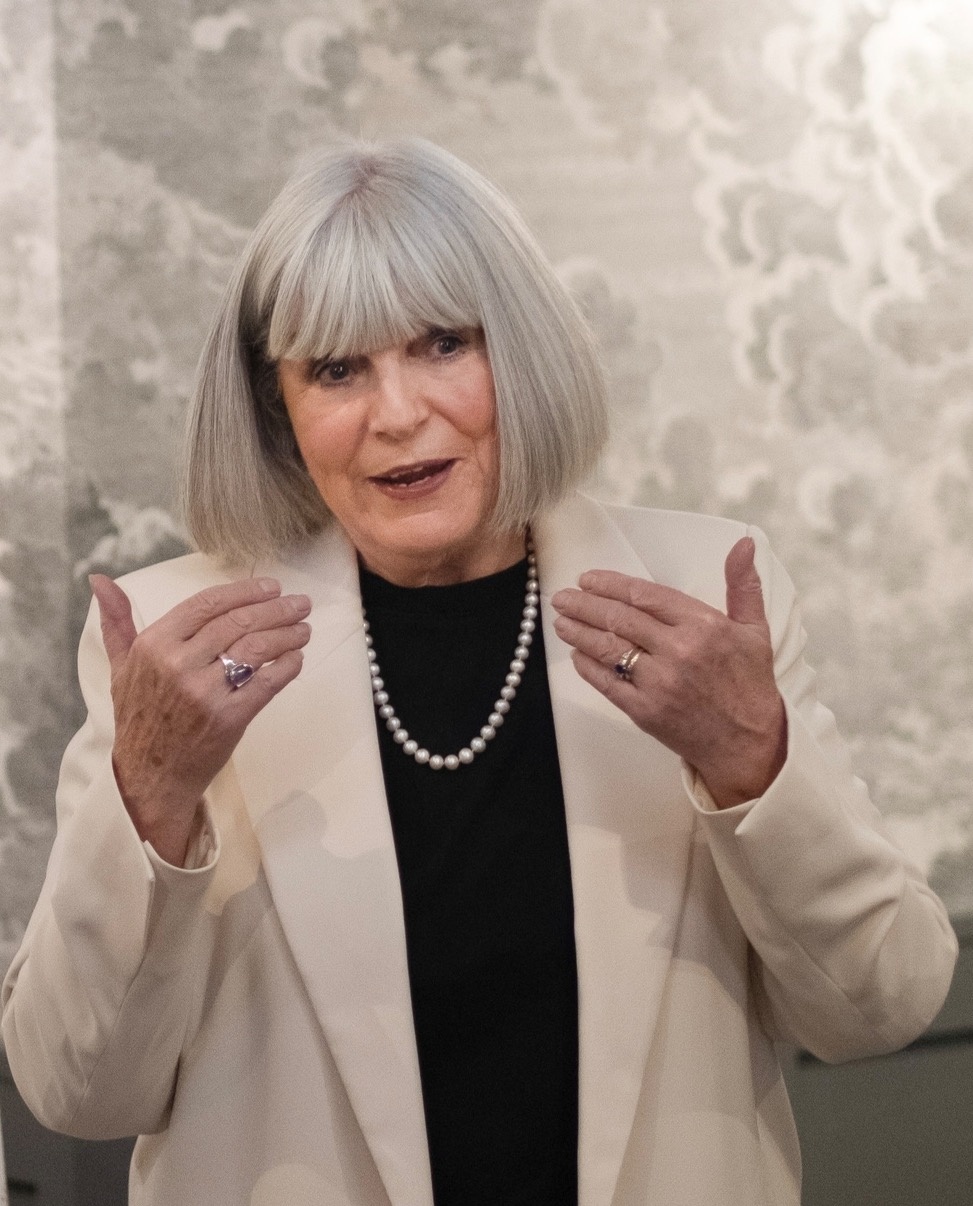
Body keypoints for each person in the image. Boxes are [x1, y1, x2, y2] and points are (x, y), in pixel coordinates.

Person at [1, 138, 957, 1206]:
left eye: (443, 344)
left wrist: (752, 761)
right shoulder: (175, 642)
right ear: (276, 408)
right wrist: (149, 791)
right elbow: (76, 1091)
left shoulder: (705, 593)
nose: (398, 413)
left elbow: (883, 1005)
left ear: (523, 353)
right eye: (336, 370)